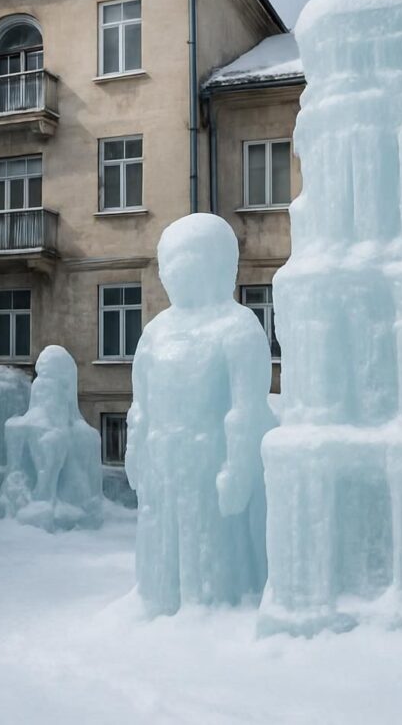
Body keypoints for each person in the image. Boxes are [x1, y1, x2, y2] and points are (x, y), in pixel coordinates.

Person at [125, 213, 274, 616]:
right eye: (167, 261)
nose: (172, 271)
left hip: (208, 460)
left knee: (208, 540)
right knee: (161, 539)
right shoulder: (155, 332)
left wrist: (238, 468)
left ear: (215, 262)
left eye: (184, 258)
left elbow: (246, 408)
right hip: (161, 462)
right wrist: (135, 450)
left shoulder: (238, 327)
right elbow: (140, 403)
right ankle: (158, 601)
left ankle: (211, 607)